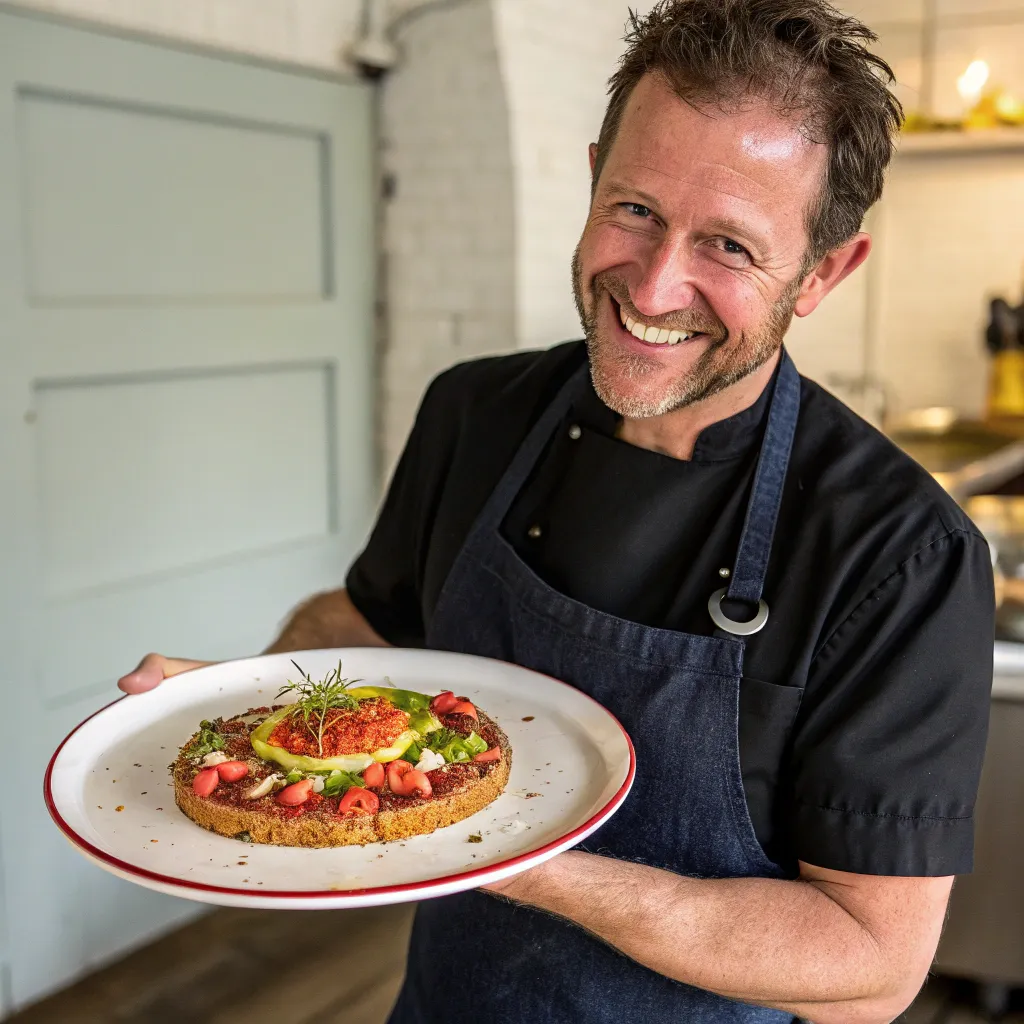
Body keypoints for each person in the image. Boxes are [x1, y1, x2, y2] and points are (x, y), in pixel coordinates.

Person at [118, 1, 995, 1021]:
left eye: (728, 246)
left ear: (822, 273)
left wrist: (515, 855)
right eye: (633, 209)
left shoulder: (901, 555)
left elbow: (869, 966)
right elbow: (371, 629)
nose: (655, 284)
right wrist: (247, 705)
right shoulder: (474, 411)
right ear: (591, 178)